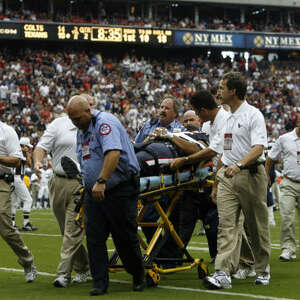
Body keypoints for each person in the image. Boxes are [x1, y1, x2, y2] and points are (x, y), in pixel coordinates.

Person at [67, 95, 145, 296]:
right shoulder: (82, 131)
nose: (75, 123)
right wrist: (88, 183)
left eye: (77, 118)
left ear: (88, 111)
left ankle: (138, 275)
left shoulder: (105, 123)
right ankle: (100, 282)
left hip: (119, 188)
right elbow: (86, 159)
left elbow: (113, 154)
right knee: (94, 237)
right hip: (94, 191)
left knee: (124, 235)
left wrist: (101, 181)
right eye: (72, 120)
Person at [204, 72, 270, 289]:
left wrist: (240, 164)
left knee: (255, 226)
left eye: (222, 87)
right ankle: (223, 273)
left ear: (233, 90)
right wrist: (216, 181)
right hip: (227, 176)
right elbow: (224, 152)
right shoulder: (227, 117)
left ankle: (262, 270)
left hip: (250, 174)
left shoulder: (253, 115)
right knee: (226, 225)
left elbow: (258, 147)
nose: (218, 91)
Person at [33, 105, 89, 288]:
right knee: (65, 230)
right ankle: (83, 267)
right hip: (57, 181)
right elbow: (41, 146)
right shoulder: (58, 124)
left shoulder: (95, 127)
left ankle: (63, 274)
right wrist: (37, 161)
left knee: (73, 229)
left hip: (80, 183)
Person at [0, 120, 37, 282]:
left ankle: (27, 260)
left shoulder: (6, 131)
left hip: (2, 180)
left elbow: (16, 160)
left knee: (5, 226)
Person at [265, 113, 300, 261]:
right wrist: (266, 175)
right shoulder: (284, 138)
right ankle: (288, 249)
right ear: (298, 121)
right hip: (289, 182)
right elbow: (271, 157)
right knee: (287, 217)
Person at [11, 137, 37, 231]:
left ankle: (12, 224)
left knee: (13, 202)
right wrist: (28, 153)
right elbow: (29, 163)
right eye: (27, 147)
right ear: (23, 146)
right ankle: (26, 223)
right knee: (28, 200)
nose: (29, 149)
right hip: (17, 178)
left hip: (13, 178)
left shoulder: (15, 151)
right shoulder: (21, 152)